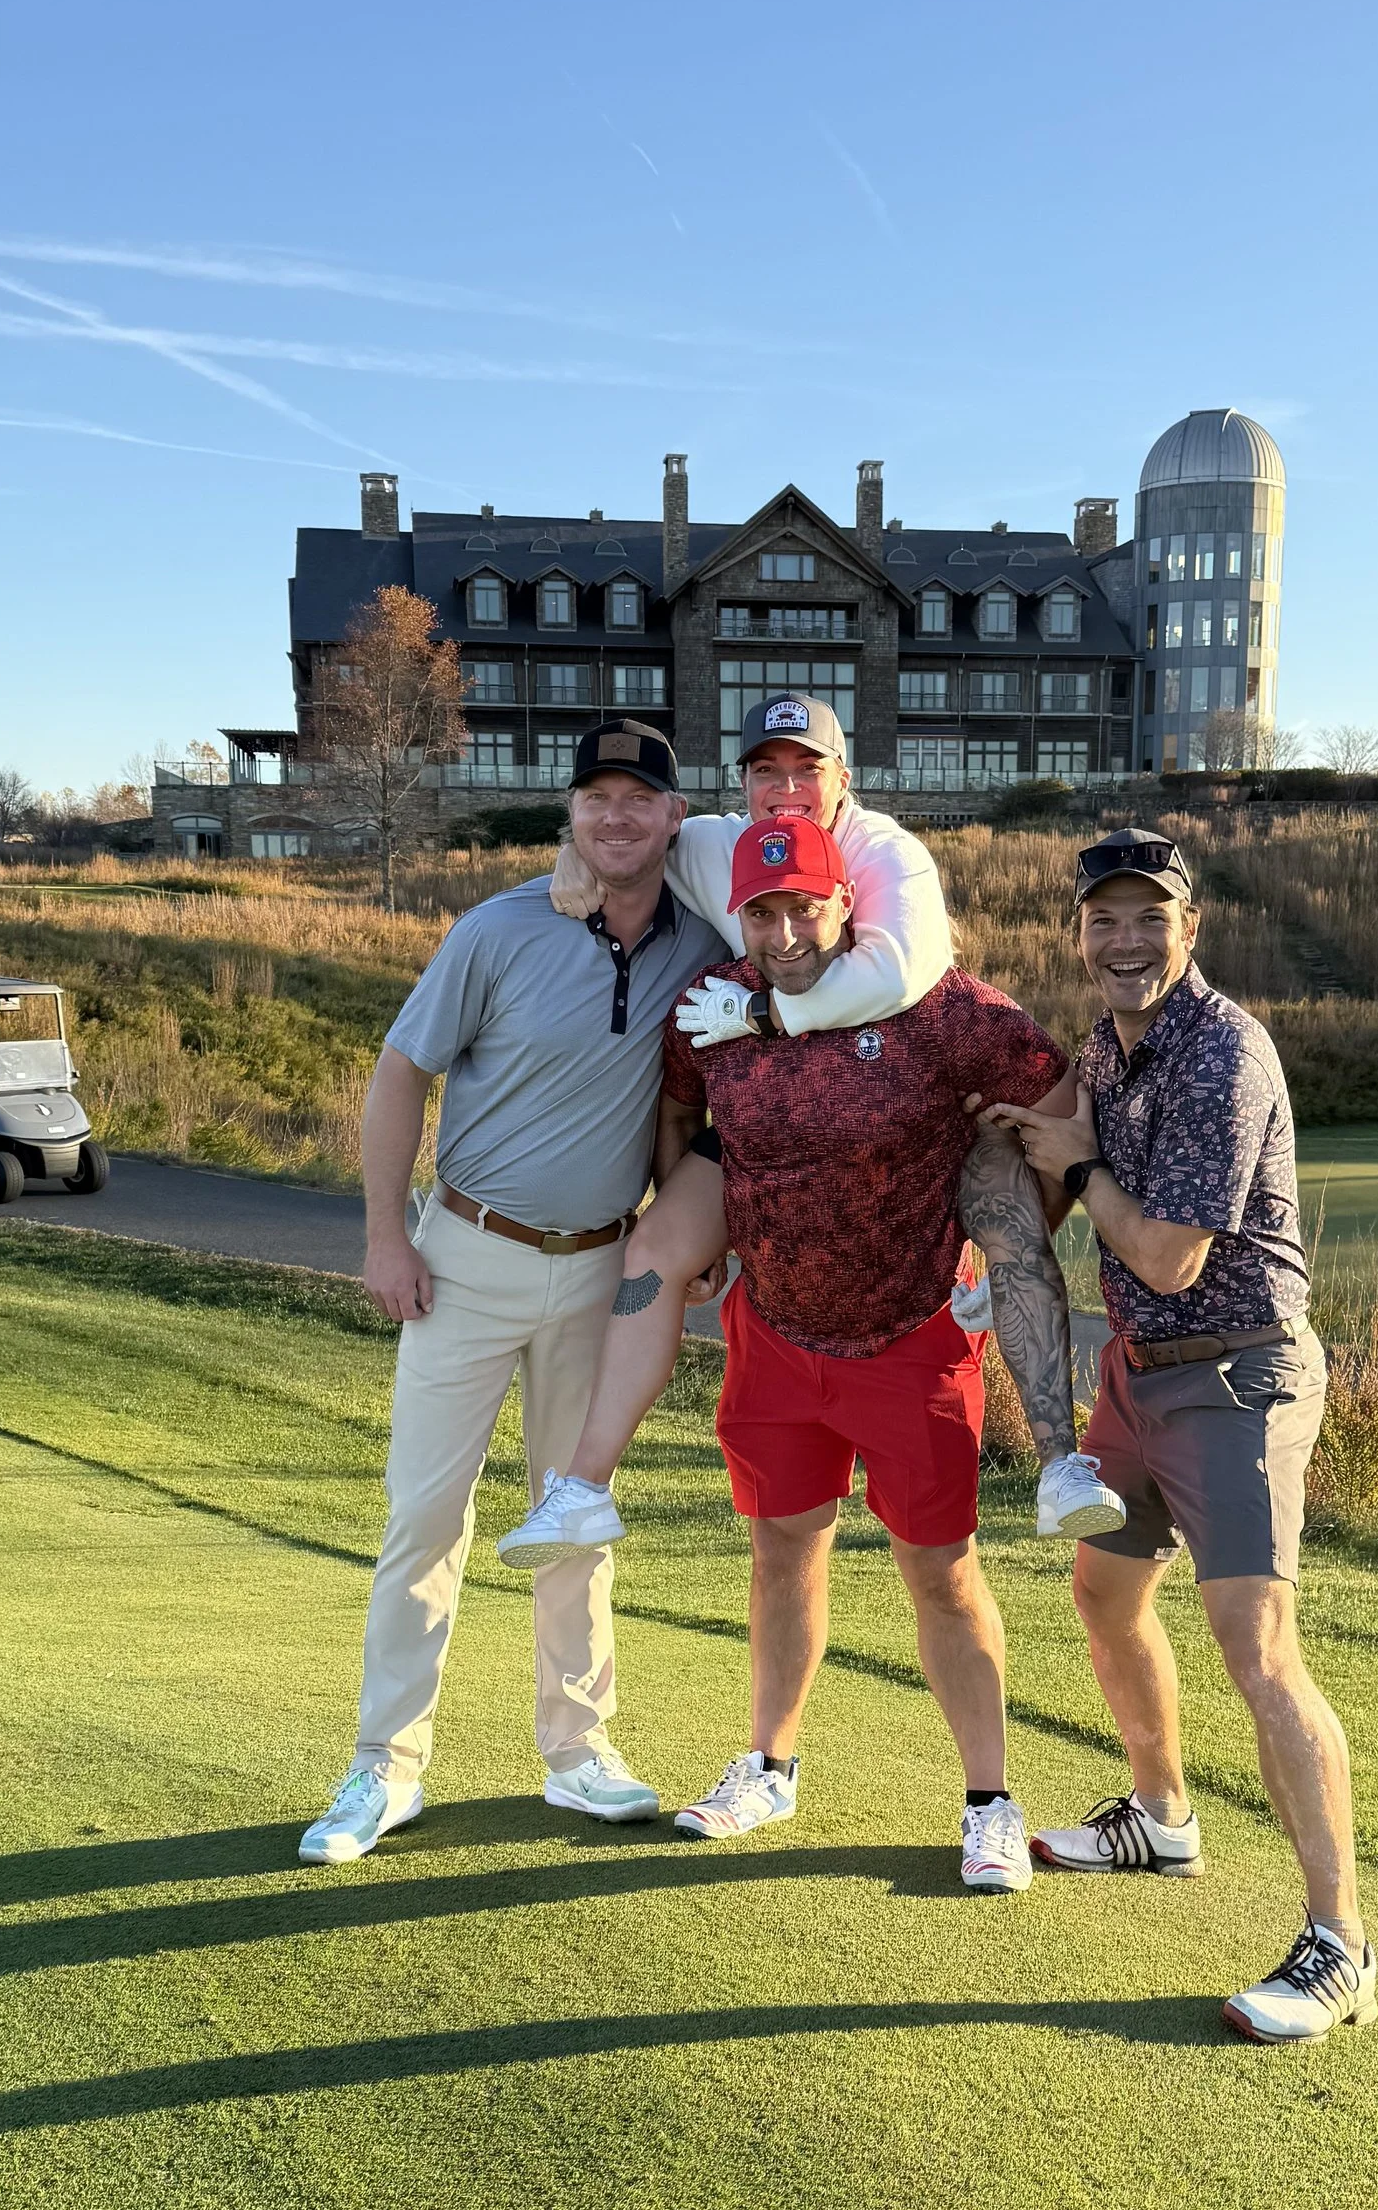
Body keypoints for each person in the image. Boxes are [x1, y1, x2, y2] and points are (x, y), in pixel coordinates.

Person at [498, 689, 1120, 1562]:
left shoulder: (885, 859)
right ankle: (584, 1488)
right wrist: (574, 853)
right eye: (767, 771)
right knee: (649, 1256)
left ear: (844, 784)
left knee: (1010, 1220)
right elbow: (631, 830)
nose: (785, 788)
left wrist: (768, 1019)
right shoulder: (714, 849)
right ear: (740, 784)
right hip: (763, 1143)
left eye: (807, 770)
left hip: (912, 1139)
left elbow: (904, 970)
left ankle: (1061, 1465)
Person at [297, 723, 725, 1865]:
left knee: (572, 1519)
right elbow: (400, 1074)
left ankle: (578, 1757)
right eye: (596, 798)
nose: (616, 817)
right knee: (423, 1520)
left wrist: (691, 1231)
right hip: (465, 1258)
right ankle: (384, 1769)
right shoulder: (497, 928)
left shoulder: (704, 944)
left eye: (640, 799)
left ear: (675, 819)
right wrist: (387, 1235)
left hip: (603, 1269)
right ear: (570, 814)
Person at [983, 826, 1376, 2041]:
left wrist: (1081, 1161)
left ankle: (1340, 1947)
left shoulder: (1223, 1055)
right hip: (1140, 1371)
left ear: (1188, 930)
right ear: (1079, 935)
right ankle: (1162, 1818)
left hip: (1240, 1376)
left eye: (1148, 916)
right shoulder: (1103, 1047)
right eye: (1102, 919)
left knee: (1256, 1652)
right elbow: (1037, 1163)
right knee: (1103, 1593)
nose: (1123, 938)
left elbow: (1163, 1251)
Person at [652, 812, 1074, 1893]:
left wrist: (1015, 1232)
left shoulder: (934, 1006)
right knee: (782, 1550)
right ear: (738, 914)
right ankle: (769, 1764)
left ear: (847, 905)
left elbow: (1056, 1091)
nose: (785, 929)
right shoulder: (711, 1007)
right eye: (764, 909)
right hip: (774, 1335)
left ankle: (989, 1800)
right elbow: (679, 1108)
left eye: (806, 905)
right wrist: (694, 1227)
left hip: (911, 1339)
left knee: (938, 1571)